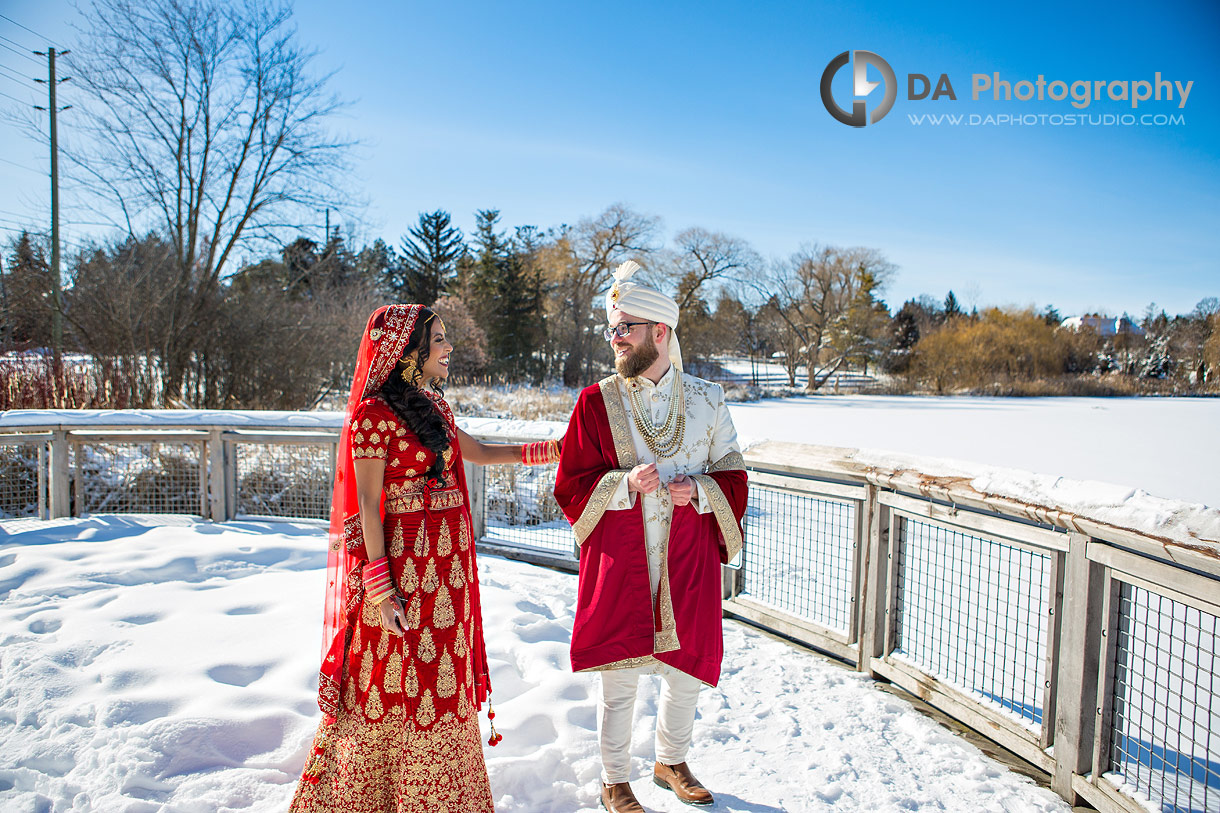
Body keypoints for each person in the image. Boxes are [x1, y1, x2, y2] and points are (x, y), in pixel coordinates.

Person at [290, 304, 561, 813]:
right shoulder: (372, 415)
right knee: (396, 675)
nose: (448, 347)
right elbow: (368, 505)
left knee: (442, 677)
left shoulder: (433, 405)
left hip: (449, 571)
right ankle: (381, 796)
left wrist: (551, 450)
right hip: (401, 572)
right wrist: (380, 587)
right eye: (437, 339)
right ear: (407, 350)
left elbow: (475, 453)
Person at [553, 262, 748, 813]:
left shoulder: (708, 399)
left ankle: (671, 760)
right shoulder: (596, 401)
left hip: (687, 551)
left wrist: (703, 491)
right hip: (624, 553)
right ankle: (614, 777)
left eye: (626, 328)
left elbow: (734, 471)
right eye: (612, 330)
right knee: (620, 671)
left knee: (683, 665)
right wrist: (620, 484)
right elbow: (570, 480)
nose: (615, 339)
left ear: (659, 332)